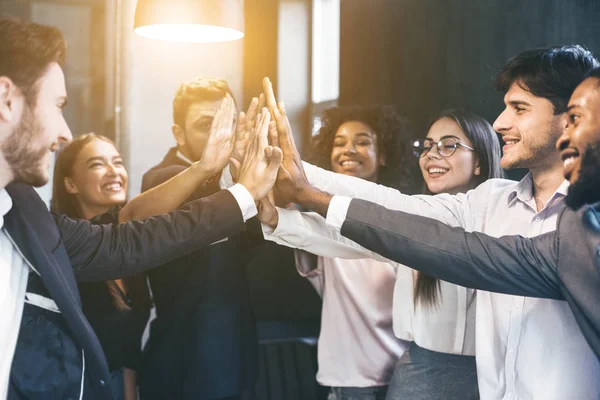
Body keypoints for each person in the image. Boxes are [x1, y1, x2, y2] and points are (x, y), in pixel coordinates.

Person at [259, 46, 600, 399]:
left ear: (570, 117)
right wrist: (297, 174)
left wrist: (307, 193)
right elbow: (396, 209)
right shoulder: (490, 201)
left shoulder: (587, 223)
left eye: (519, 108)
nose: (499, 122)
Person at [0, 15, 281, 399]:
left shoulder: (25, 212)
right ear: (6, 100)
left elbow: (122, 240)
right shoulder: (160, 177)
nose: (64, 132)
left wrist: (241, 191)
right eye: (58, 105)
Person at [262, 108, 502, 399]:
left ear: (480, 162)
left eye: (448, 145)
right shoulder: (406, 222)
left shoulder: (504, 216)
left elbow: (380, 202)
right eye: (427, 146)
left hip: (488, 378)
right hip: (416, 379)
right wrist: (276, 218)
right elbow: (346, 236)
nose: (432, 155)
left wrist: (300, 179)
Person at [139, 77, 264, 400]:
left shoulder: (235, 176)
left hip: (237, 355)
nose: (221, 134)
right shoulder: (162, 179)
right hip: (185, 362)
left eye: (229, 123)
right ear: (179, 135)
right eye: (207, 124)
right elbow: (213, 203)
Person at [289, 105, 420, 400]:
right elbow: (282, 213)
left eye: (362, 141)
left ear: (382, 155)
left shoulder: (403, 216)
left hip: (406, 377)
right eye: (339, 143)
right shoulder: (319, 222)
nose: (349, 149)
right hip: (350, 381)